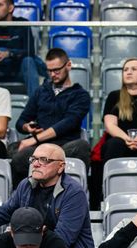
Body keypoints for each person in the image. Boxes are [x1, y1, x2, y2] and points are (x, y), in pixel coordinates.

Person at [0, 143, 97, 248]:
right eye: (33, 159)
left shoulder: (74, 193)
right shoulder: (26, 185)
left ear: (60, 167)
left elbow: (62, 240)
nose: (36, 164)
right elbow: (4, 212)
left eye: (44, 160)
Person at [10, 47, 91, 187]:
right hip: (39, 147)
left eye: (56, 70)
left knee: (82, 146)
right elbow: (21, 122)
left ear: (68, 65)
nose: (53, 75)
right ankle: (22, 195)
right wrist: (27, 127)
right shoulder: (41, 91)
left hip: (65, 145)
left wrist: (35, 139)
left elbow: (68, 123)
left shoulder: (80, 95)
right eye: (49, 71)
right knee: (16, 152)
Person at [0, 0, 45, 97]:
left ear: (10, 8)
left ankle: (35, 103)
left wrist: (8, 53)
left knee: (29, 60)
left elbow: (30, 51)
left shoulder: (22, 24)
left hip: (18, 70)